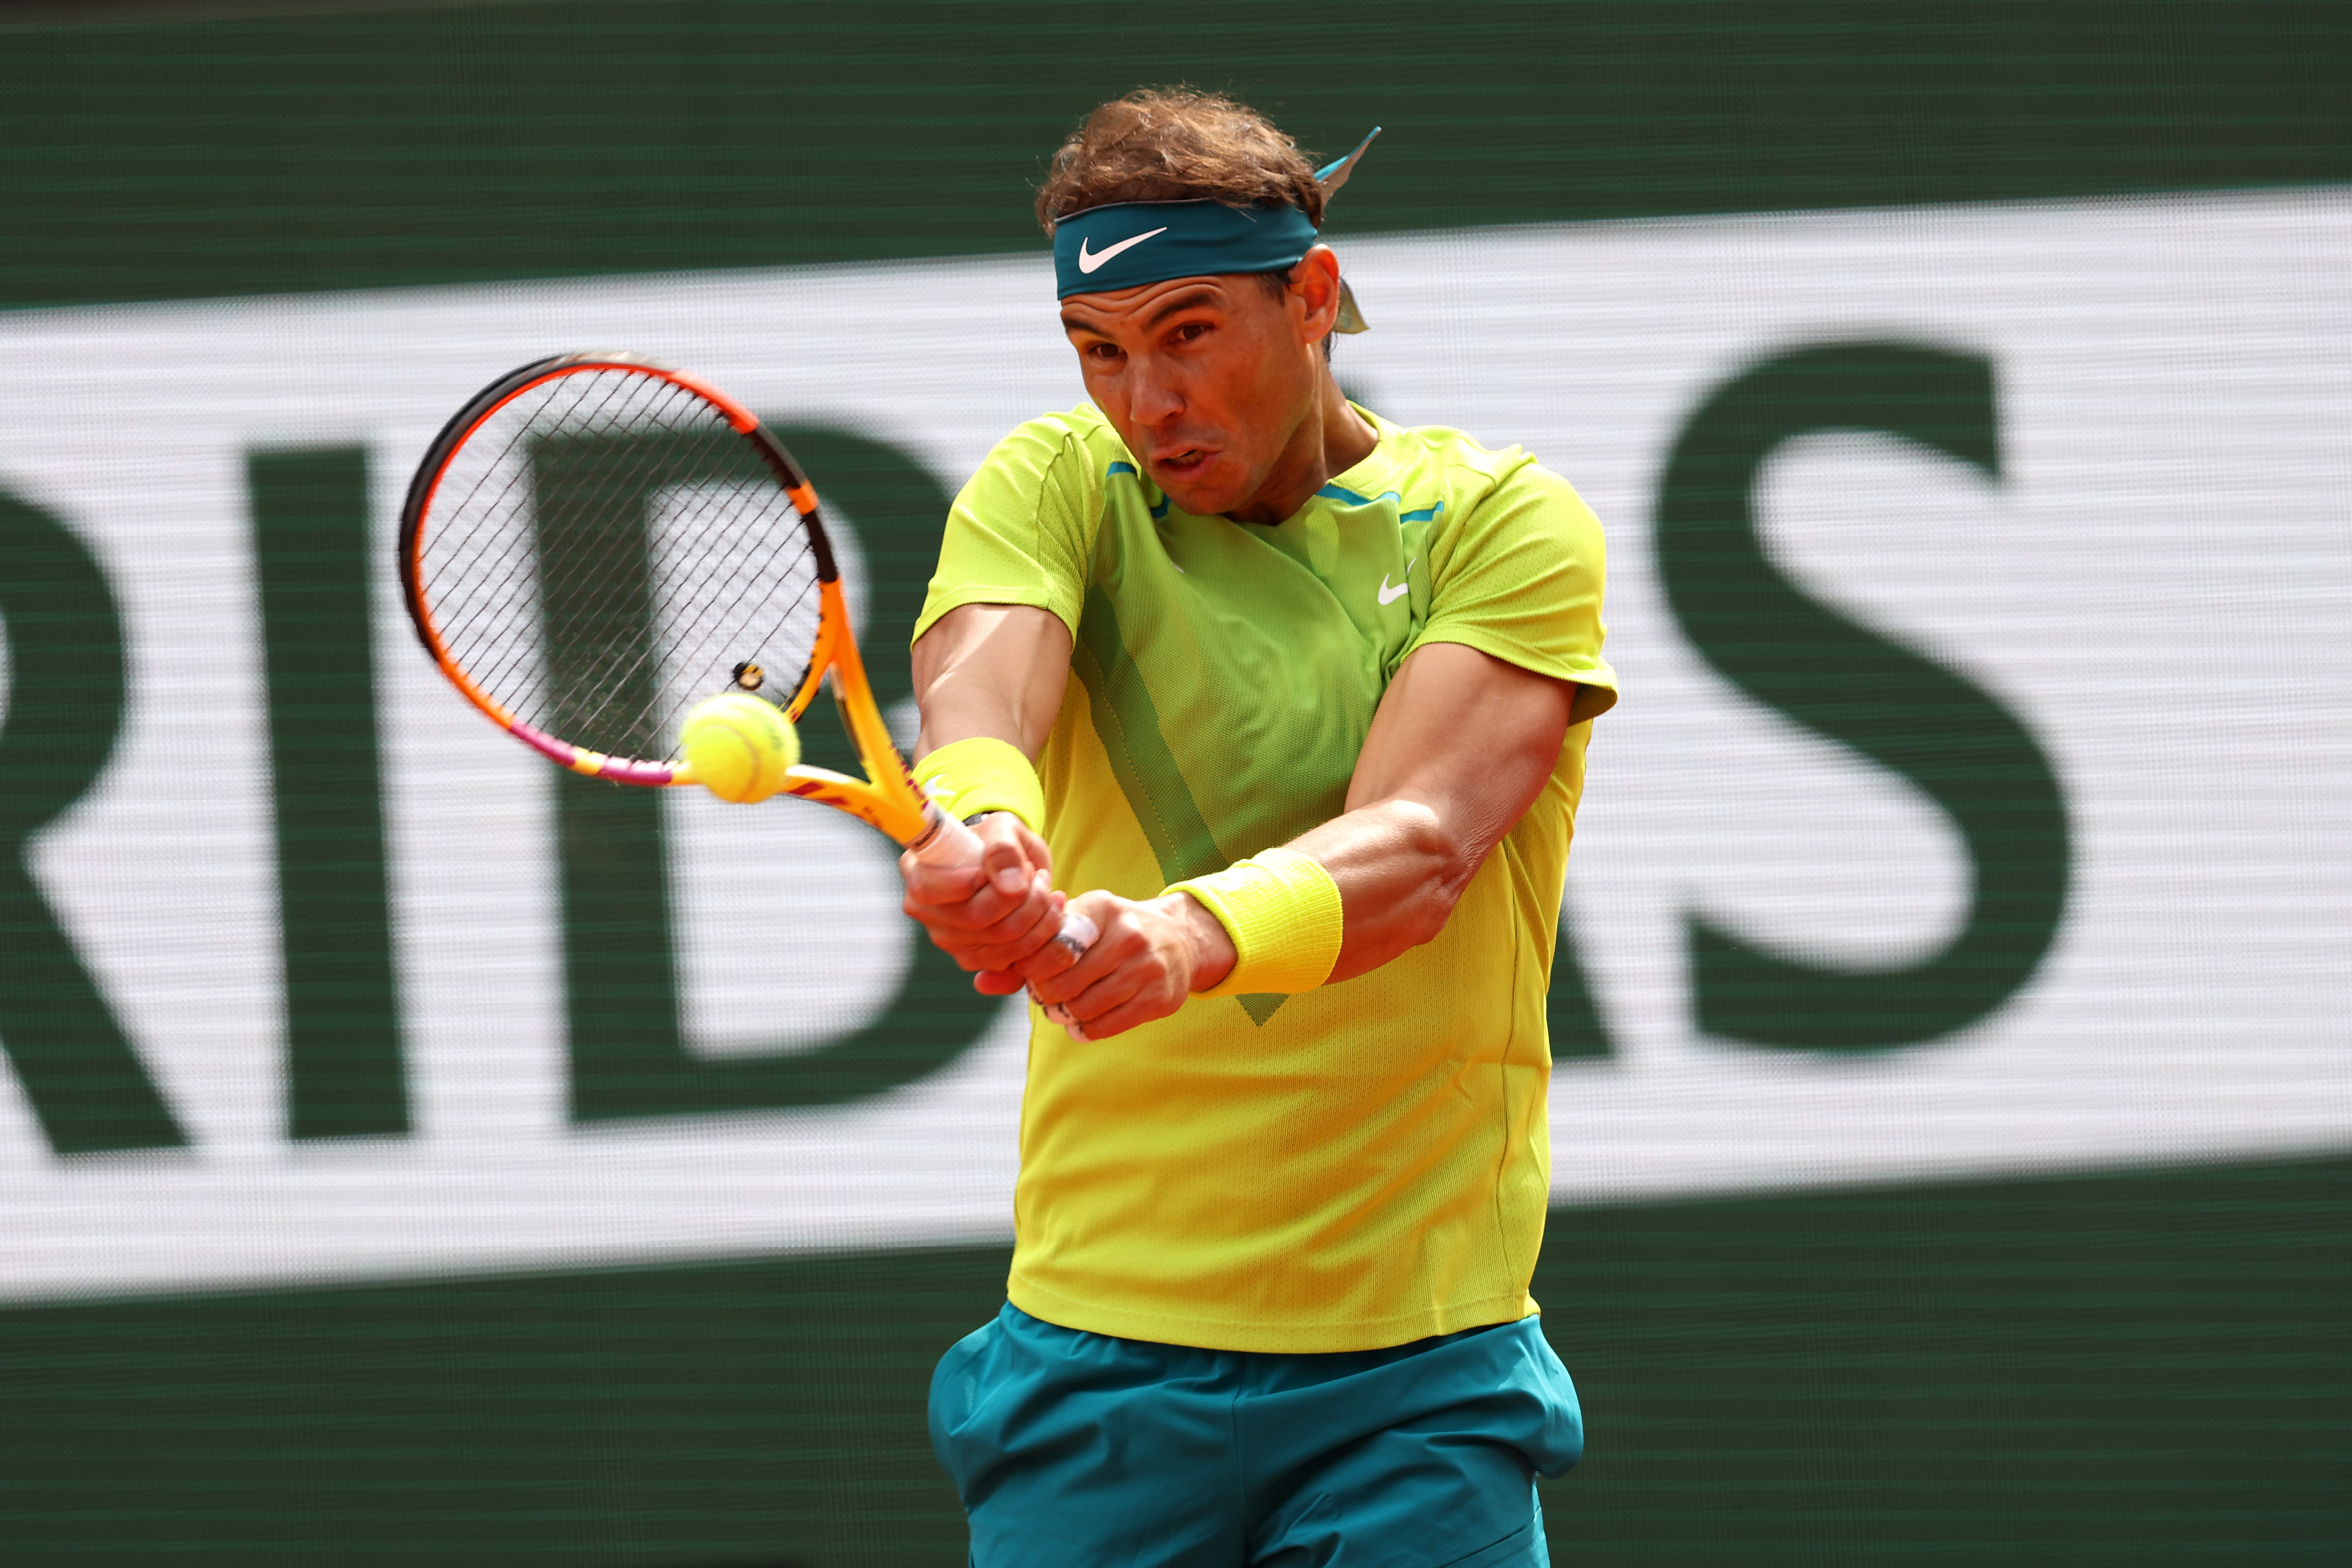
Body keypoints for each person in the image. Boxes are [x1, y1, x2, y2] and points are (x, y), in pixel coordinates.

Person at [900, 88, 1617, 1567]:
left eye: (1188, 334)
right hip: (1095, 1362)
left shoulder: (1500, 522)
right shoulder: (1057, 484)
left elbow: (1422, 845)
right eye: (1098, 350)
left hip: (1415, 1375)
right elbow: (984, 685)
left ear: (1315, 298)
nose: (1144, 401)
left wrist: (1184, 934)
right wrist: (981, 822)